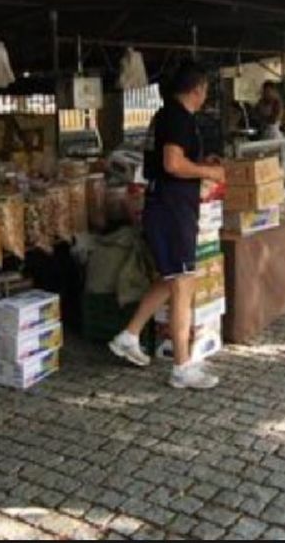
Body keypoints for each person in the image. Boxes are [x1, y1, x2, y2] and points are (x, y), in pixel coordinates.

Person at [109, 61, 226, 390]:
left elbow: (172, 161)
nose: (205, 97)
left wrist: (201, 165)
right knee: (183, 285)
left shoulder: (165, 116)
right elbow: (173, 164)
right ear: (198, 89)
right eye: (205, 91)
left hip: (167, 206)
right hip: (172, 210)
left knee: (170, 278)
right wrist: (210, 173)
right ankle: (182, 367)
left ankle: (129, 336)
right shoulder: (177, 117)